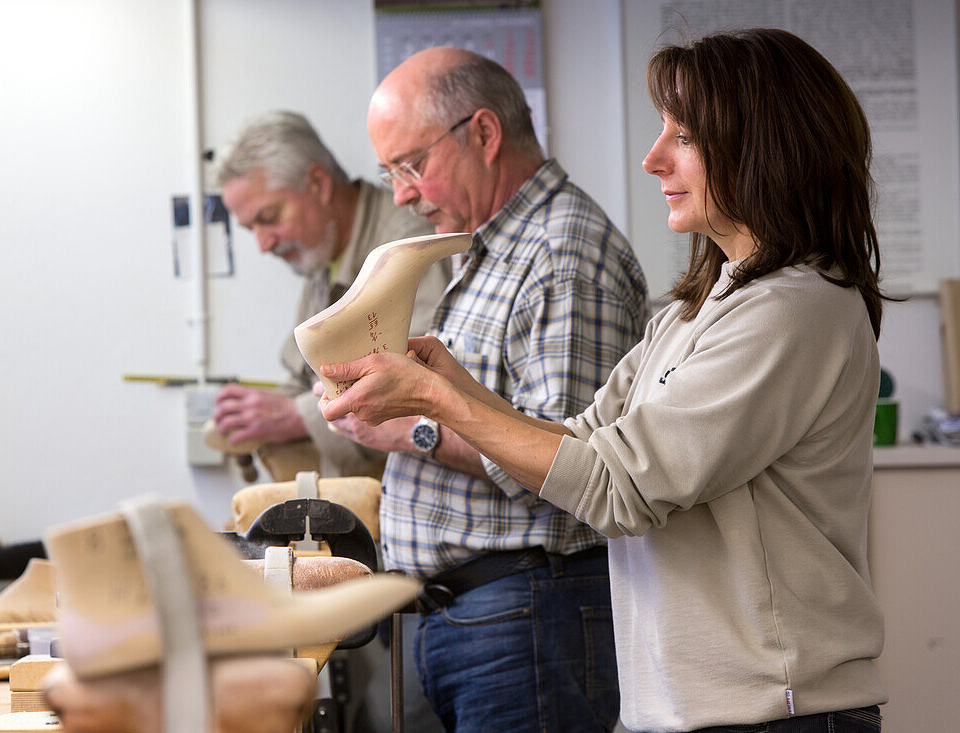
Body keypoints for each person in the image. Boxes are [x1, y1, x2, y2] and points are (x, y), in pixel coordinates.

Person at [321, 28, 889, 733]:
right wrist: (445, 379)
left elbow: (620, 490)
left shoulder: (793, 308)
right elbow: (580, 441)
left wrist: (437, 403)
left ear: (762, 145)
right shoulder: (701, 307)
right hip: (685, 709)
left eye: (683, 136)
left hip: (771, 711)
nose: (653, 160)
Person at [330, 47, 648, 731]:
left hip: (530, 617)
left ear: (483, 133)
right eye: (389, 173)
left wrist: (409, 425)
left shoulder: (562, 257)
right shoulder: (488, 248)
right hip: (481, 618)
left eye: (411, 164)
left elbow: (568, 467)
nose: (402, 194)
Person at [211, 111, 446, 478]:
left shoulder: (403, 244)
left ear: (318, 184)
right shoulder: (321, 251)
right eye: (249, 228)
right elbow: (301, 374)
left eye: (269, 217)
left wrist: (296, 416)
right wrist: (254, 415)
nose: (263, 243)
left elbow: (420, 386)